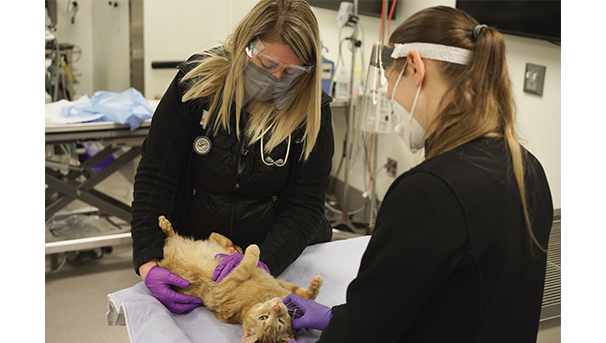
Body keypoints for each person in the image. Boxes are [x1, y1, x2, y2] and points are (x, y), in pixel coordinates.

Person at [284, 6, 554, 342]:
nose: (390, 99)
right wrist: (336, 316)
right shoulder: (527, 166)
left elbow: (366, 334)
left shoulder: (429, 190)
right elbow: (449, 299)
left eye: (389, 84)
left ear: (414, 67)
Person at [130, 0, 334, 314]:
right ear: (244, 46)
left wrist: (261, 264)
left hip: (273, 257)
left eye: (290, 72)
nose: (276, 78)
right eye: (266, 65)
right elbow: (157, 174)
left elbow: (305, 204)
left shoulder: (311, 110)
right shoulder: (196, 85)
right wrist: (146, 259)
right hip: (199, 256)